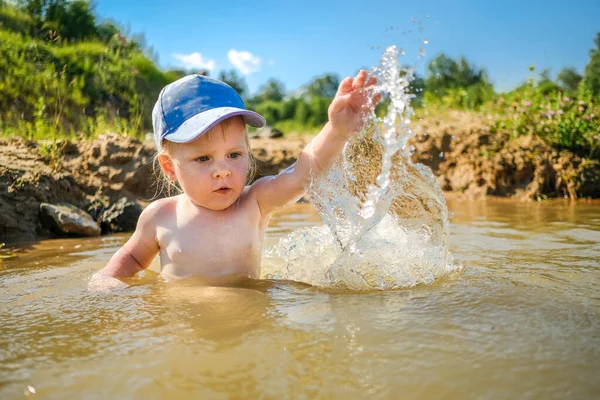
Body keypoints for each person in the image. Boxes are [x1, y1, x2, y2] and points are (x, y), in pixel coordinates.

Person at [100, 71, 379, 284]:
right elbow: (133, 257)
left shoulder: (254, 202)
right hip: (185, 328)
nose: (223, 170)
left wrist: (336, 131)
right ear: (170, 168)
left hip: (248, 320)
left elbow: (300, 175)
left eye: (234, 155)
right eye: (203, 158)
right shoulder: (160, 216)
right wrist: (108, 280)